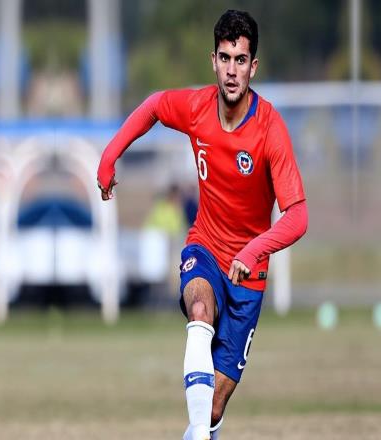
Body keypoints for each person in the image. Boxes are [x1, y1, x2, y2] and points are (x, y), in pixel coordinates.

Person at [97, 9, 308, 440]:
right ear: (213, 61)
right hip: (205, 249)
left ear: (253, 66)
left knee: (212, 408)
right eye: (224, 58)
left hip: (249, 276)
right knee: (199, 310)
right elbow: (154, 106)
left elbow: (298, 216)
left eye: (240, 60)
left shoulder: (270, 129)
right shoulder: (196, 108)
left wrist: (254, 250)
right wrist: (109, 155)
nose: (231, 70)